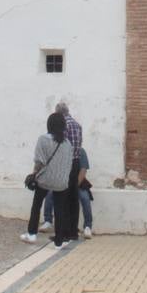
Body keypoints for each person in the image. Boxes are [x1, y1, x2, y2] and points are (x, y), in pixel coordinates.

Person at [21, 112, 73, 245]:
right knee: (59, 210)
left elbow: (39, 161)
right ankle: (59, 241)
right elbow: (69, 163)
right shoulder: (67, 143)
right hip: (61, 182)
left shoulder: (43, 139)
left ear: (49, 124)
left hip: (45, 180)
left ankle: (32, 234)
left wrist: (34, 174)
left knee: (36, 206)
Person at [43, 147, 95, 238]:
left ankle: (87, 226)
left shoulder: (81, 151)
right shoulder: (60, 151)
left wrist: (75, 186)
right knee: (50, 193)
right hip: (63, 182)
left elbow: (83, 170)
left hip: (78, 183)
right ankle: (48, 221)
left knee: (85, 198)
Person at [57, 102, 84, 242]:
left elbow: (60, 146)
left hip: (65, 164)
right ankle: (73, 232)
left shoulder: (62, 126)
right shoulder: (78, 125)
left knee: (63, 198)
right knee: (73, 198)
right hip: (76, 163)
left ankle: (64, 233)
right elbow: (80, 144)